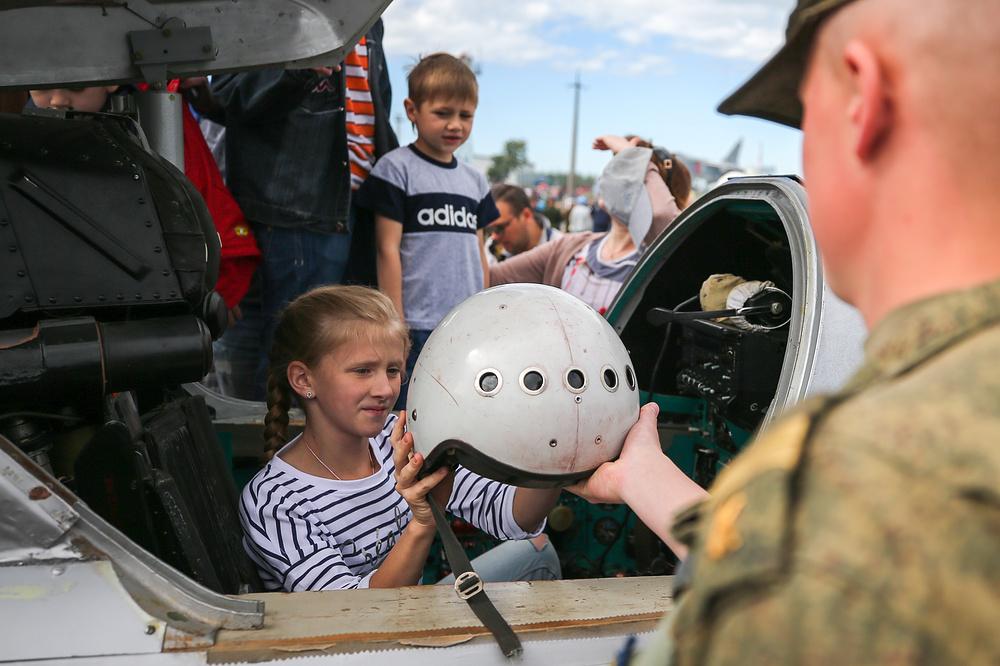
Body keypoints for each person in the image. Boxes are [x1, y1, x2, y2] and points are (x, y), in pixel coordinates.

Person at [572, 0, 1000, 662]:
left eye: (806, 114)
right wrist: (643, 478)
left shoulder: (848, 495)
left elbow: (814, 555)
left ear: (862, 100)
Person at [239, 285, 560, 591]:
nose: (385, 390)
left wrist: (562, 462)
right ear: (303, 378)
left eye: (393, 371)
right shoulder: (277, 502)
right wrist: (424, 521)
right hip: (362, 641)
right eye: (363, 370)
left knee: (536, 550)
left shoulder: (399, 440)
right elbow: (353, 616)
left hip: (411, 616)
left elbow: (509, 514)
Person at [210, 19, 397, 400]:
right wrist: (296, 70)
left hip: (354, 203)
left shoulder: (369, 17)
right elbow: (227, 93)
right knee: (302, 354)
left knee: (331, 353)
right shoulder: (278, 9)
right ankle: (281, 454)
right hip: (296, 203)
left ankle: (298, 452)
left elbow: (378, 100)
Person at [26, 85, 260, 319]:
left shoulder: (157, 121)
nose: (57, 99)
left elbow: (201, 198)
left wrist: (220, 289)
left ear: (110, 83)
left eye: (75, 87)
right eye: (42, 87)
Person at [355, 53, 497, 407]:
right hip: (416, 324)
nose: (455, 125)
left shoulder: (475, 181)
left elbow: (480, 253)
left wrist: (485, 311)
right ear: (412, 110)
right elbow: (387, 250)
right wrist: (395, 324)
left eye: (465, 116)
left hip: (464, 323)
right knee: (407, 417)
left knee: (462, 411)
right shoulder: (396, 170)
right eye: (443, 113)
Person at [490, 135, 690, 315]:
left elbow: (663, 218)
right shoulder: (570, 248)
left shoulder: (657, 257)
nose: (610, 178)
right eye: (616, 168)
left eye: (627, 173)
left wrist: (634, 156)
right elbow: (490, 278)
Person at [485, 183, 562, 263]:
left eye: (500, 228)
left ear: (526, 215)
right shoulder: (491, 247)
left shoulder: (562, 250)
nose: (494, 236)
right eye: (490, 229)